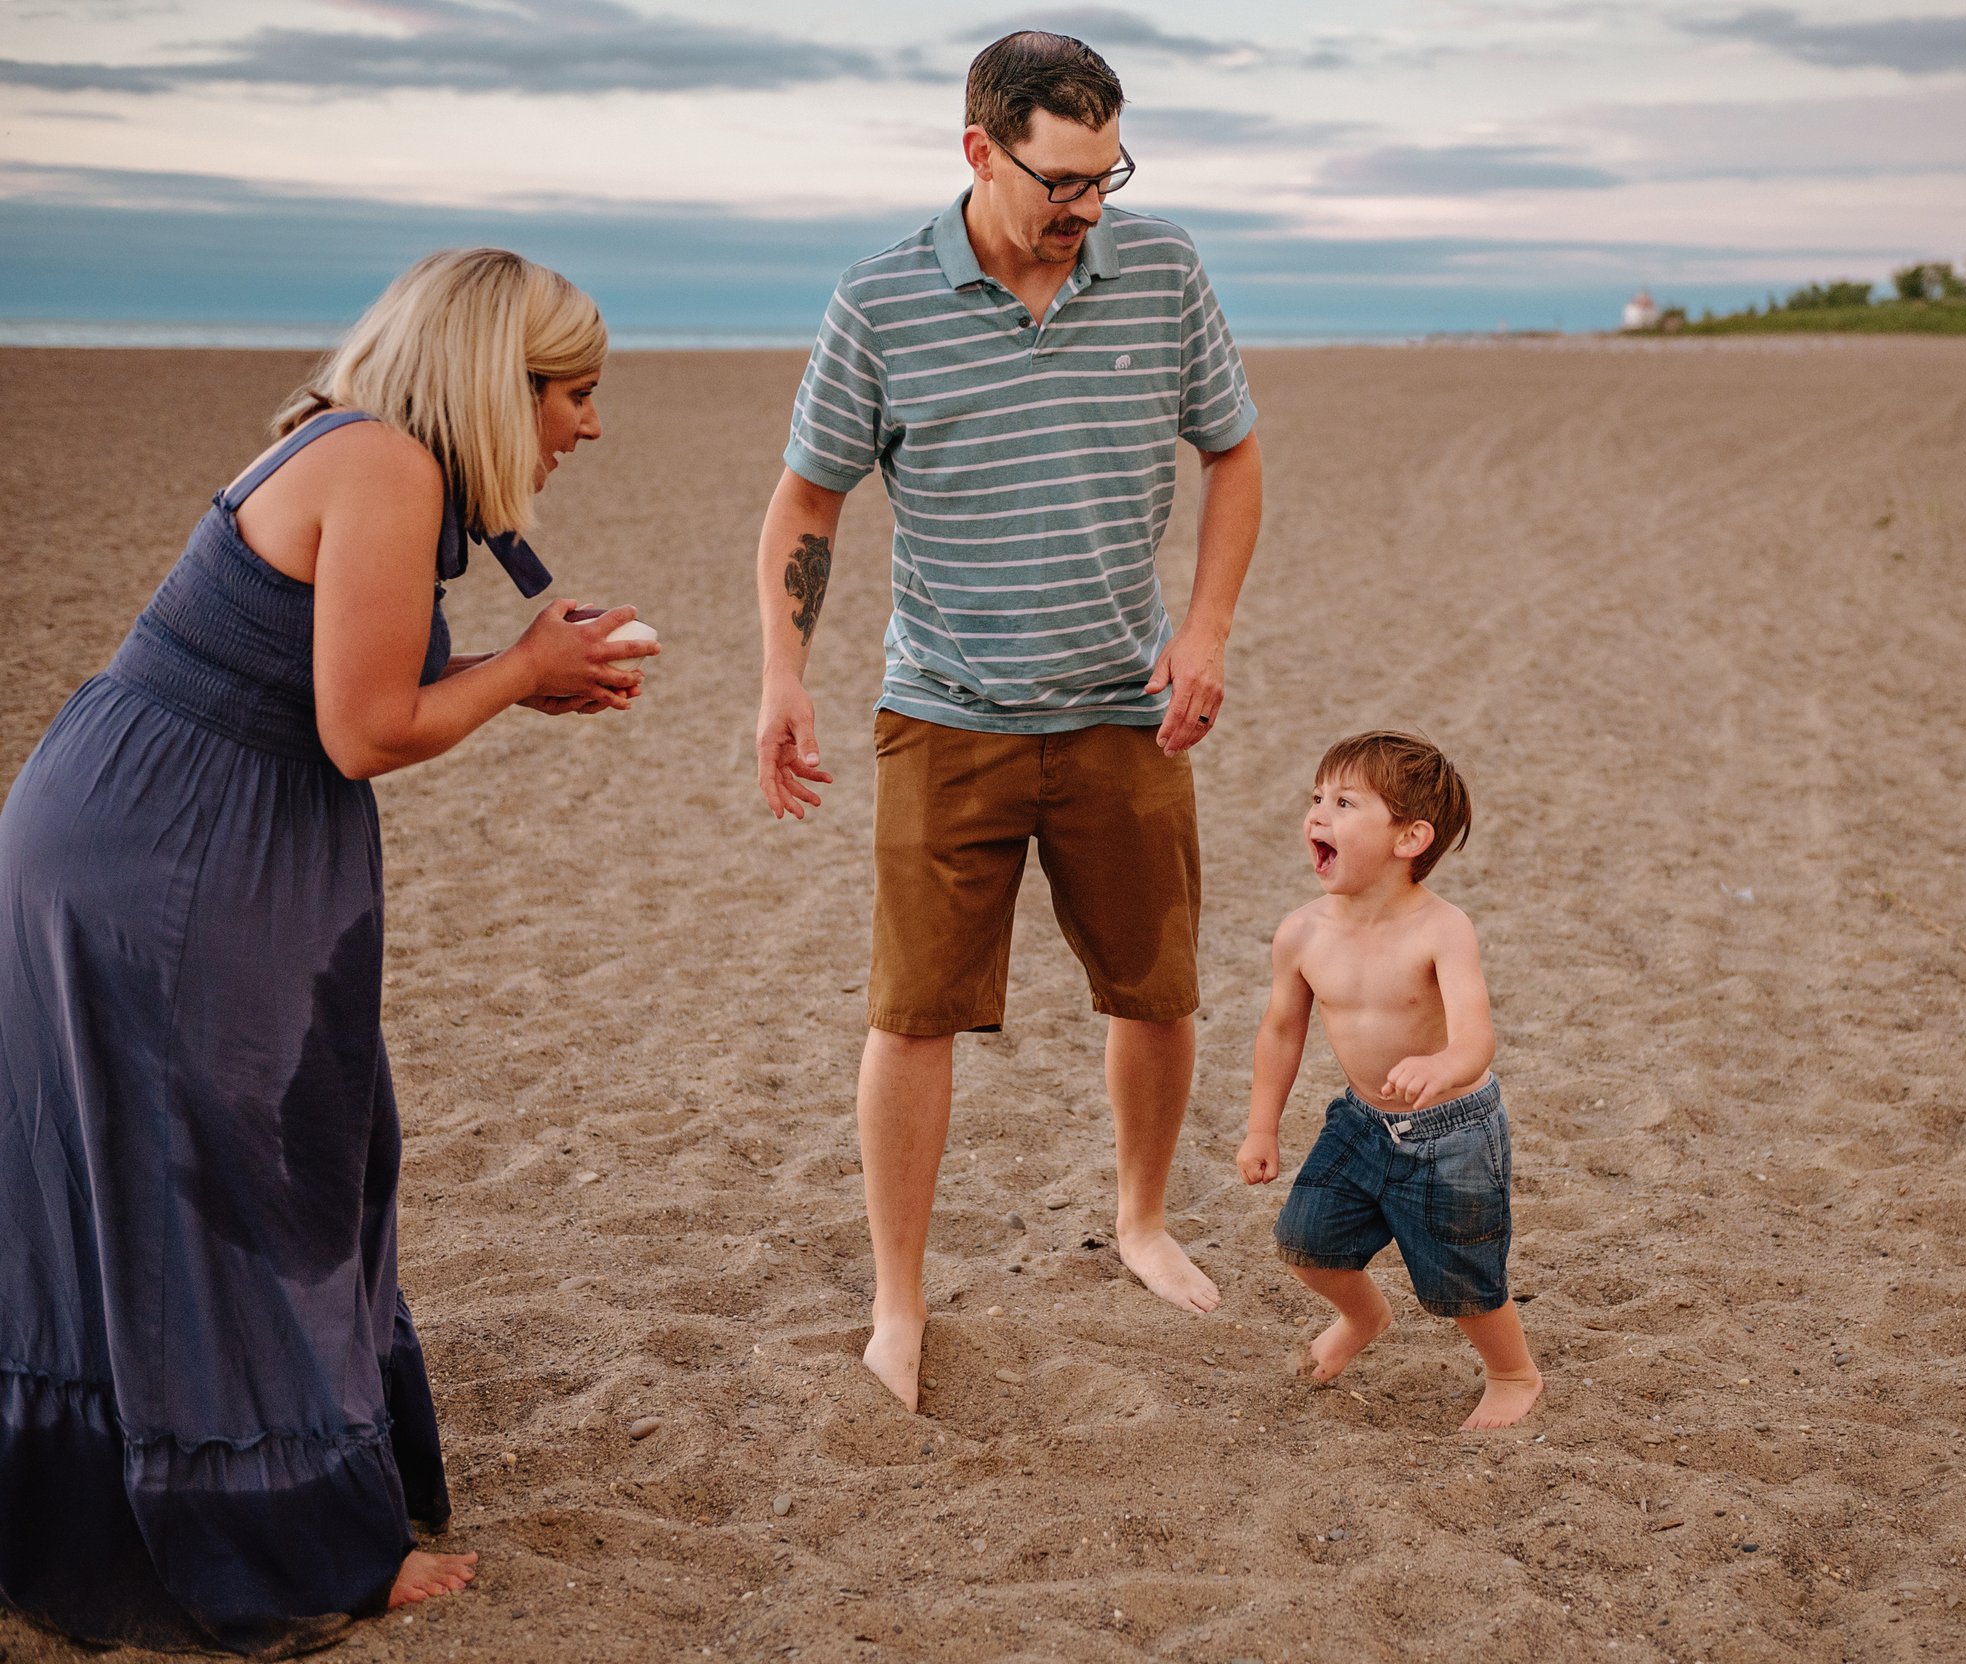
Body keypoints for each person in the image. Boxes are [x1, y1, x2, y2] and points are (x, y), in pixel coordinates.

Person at [0, 248, 656, 1654]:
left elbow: (359, 690)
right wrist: (521, 670)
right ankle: (273, 1541)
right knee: (242, 1175)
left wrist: (515, 686)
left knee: (261, 1154)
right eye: (576, 392)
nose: (589, 425)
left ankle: (214, 1490)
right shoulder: (383, 465)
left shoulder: (370, 458)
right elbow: (367, 731)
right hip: (167, 849)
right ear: (500, 381)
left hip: (168, 820)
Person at [752, 31, 1264, 1411]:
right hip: (944, 712)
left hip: (1124, 711)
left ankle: (1143, 1222)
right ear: (979, 149)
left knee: (1154, 990)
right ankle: (899, 1302)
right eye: (1061, 180)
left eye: (1108, 176)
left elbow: (1234, 455)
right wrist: (784, 675)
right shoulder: (879, 301)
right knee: (913, 1013)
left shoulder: (1161, 270)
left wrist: (1204, 630)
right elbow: (809, 504)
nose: (1086, 206)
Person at [1236, 733, 1544, 1430]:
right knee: (1305, 1241)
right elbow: (1282, 1030)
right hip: (1362, 1122)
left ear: (1410, 838)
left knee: (1464, 1278)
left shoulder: (1442, 929)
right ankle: (1364, 1315)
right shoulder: (1302, 933)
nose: (1318, 815)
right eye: (1316, 798)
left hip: (1453, 1132)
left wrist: (1442, 1065)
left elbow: (1476, 1036)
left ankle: (1512, 1373)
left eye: (1344, 803)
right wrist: (1262, 1125)